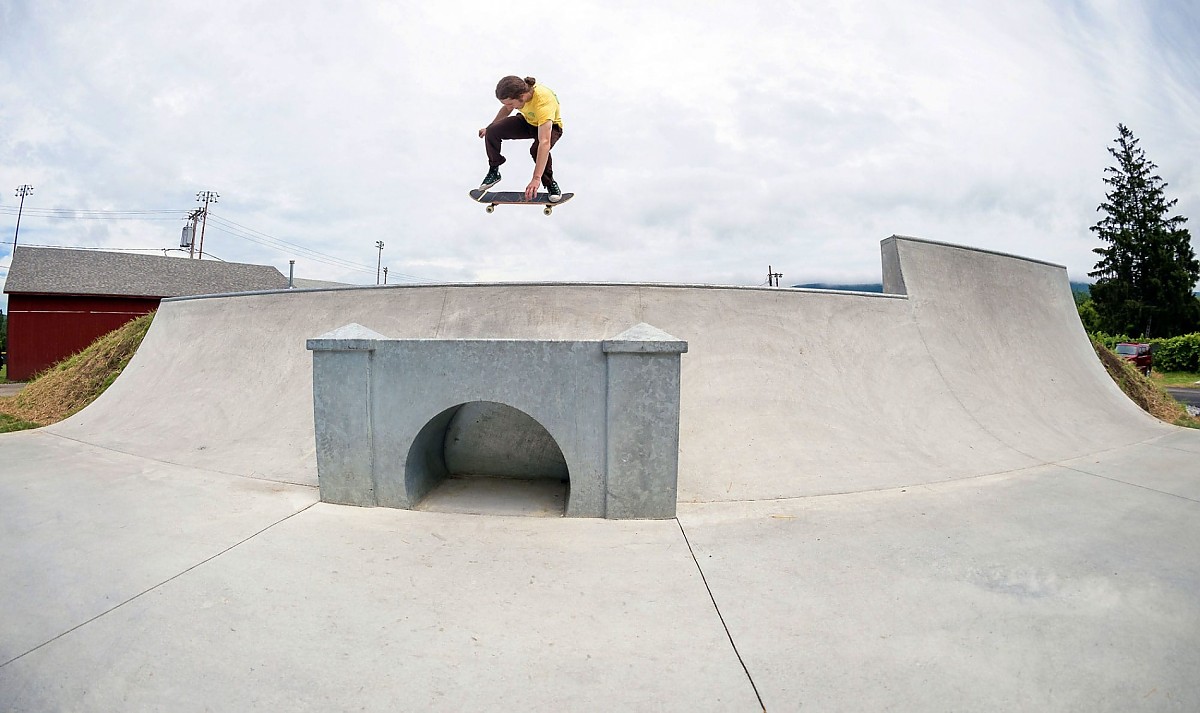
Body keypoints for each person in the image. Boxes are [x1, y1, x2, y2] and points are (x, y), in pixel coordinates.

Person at [478, 76, 564, 202]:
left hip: (550, 127)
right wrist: (489, 127)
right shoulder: (519, 92)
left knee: (537, 149)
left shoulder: (543, 102)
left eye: (511, 104)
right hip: (528, 122)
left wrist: (536, 179)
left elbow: (544, 142)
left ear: (522, 96)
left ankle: (550, 183)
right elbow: (507, 109)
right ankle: (494, 171)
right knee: (492, 131)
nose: (508, 107)